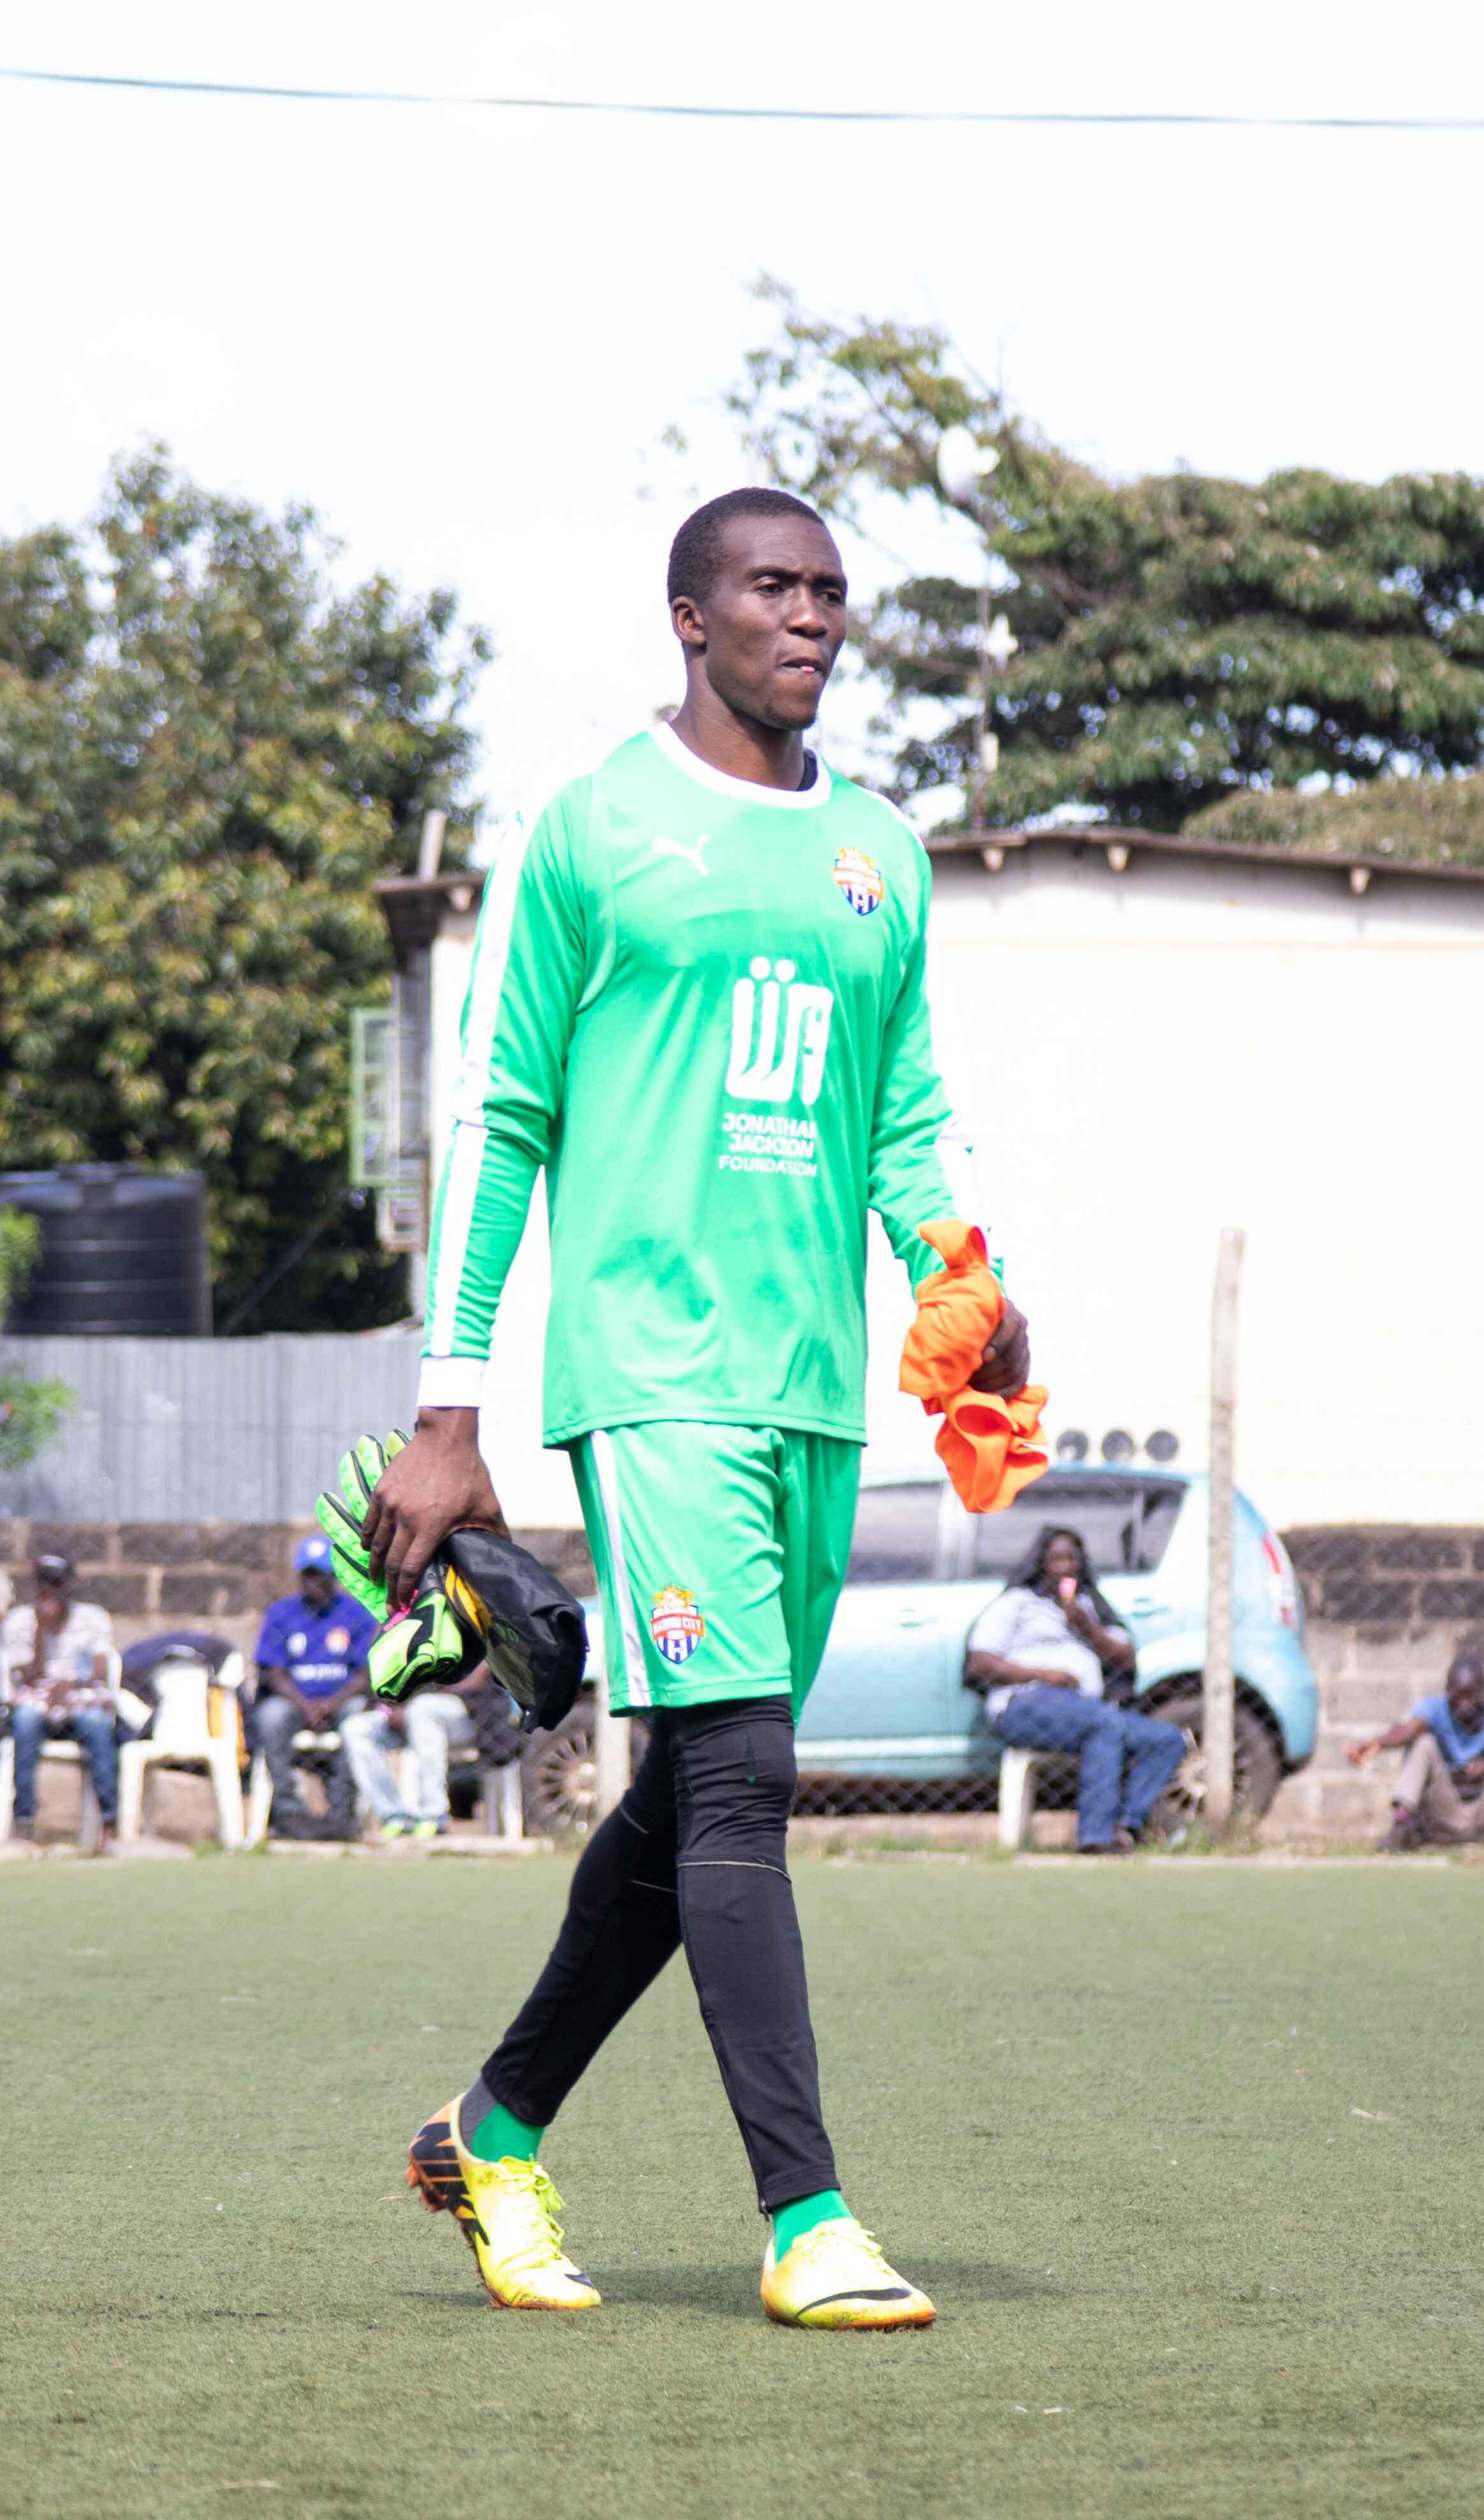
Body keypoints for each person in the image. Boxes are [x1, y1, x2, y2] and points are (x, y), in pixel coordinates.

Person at [360, 486, 1029, 2330]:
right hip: (650, 1380)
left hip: (815, 1388)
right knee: (740, 1783)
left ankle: (491, 2129)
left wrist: (967, 1277)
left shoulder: (880, 854)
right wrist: (449, 1406)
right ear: (689, 614)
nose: (810, 617)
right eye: (772, 588)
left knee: (687, 1804)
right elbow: (502, 1120)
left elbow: (904, 1113)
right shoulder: (591, 830)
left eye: (831, 591)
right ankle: (807, 2218)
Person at [966, 1526, 1182, 1854]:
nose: (1065, 1567)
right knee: (1104, 1724)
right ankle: (1096, 1836)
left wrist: (1087, 1628)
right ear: (1041, 1565)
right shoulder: (1017, 1603)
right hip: (1025, 1703)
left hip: (1083, 1708)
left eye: (1072, 1559)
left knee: (1165, 1739)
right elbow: (980, 1662)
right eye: (1056, 1560)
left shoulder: (1090, 1607)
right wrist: (1044, 1675)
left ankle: (1126, 1828)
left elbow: (1126, 1658)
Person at [1346, 1649, 1484, 1854]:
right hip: (1445, 1814)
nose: (1464, 1705)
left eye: (1472, 1696)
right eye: (1458, 1697)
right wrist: (1377, 1743)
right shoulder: (1435, 1709)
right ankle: (1402, 1826)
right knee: (1423, 1742)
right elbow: (1408, 1730)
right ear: (1448, 1693)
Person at [249, 1537, 379, 1840]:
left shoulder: (356, 1614)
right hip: (295, 1701)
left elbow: (365, 1674)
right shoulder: (281, 1613)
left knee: (358, 1717)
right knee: (271, 1716)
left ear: (335, 1577)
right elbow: (274, 1673)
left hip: (342, 1700)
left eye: (322, 1575)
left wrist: (332, 1704)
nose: (315, 1583)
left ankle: (342, 1811)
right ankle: (287, 1810)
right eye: (309, 1575)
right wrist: (305, 1704)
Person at [4, 1553, 121, 1835]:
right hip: (37, 1701)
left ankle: (108, 1823)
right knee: (25, 1723)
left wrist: (71, 1685)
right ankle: (24, 1820)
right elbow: (26, 1677)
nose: (50, 1589)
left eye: (56, 1582)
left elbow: (100, 1671)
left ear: (70, 1584)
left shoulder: (92, 1618)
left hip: (79, 1698)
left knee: (98, 1725)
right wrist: (40, 1631)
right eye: (44, 1582)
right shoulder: (20, 1621)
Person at [344, 1666, 510, 1841]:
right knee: (356, 1728)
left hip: (466, 1713)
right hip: (406, 1713)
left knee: (422, 1709)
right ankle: (395, 1816)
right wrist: (388, 1708)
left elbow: (480, 1675)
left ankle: (434, 1815)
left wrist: (412, 1707)